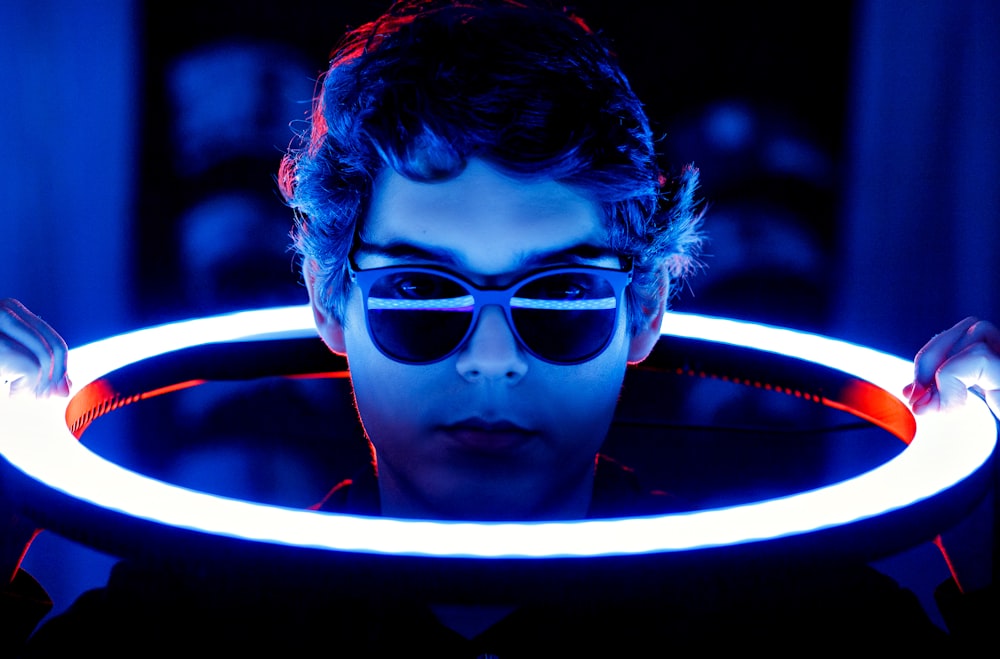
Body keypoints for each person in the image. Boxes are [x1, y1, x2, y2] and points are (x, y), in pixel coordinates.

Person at [1, 0, 997, 654]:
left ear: (641, 308)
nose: (491, 361)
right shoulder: (176, 640)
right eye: (422, 296)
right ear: (326, 298)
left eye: (558, 299)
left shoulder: (813, 641)